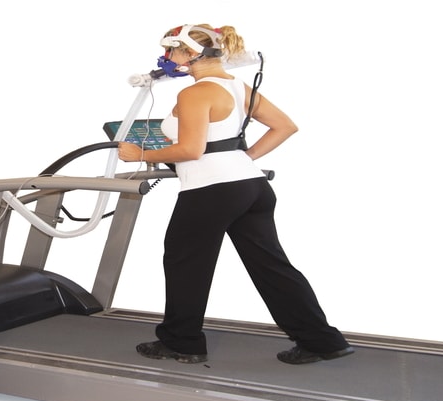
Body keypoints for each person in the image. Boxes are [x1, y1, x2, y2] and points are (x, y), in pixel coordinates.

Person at [117, 24, 354, 365]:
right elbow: (285, 125)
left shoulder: (194, 93)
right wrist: (244, 158)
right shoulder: (236, 85)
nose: (167, 58)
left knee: (186, 263)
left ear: (191, 53)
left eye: (172, 50)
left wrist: (138, 154)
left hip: (211, 191)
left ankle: (182, 343)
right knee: (271, 265)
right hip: (251, 186)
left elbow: (190, 149)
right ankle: (322, 341)